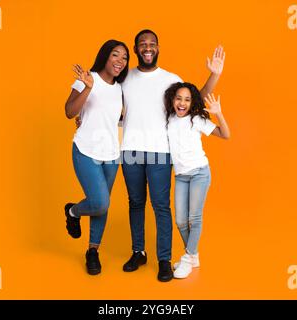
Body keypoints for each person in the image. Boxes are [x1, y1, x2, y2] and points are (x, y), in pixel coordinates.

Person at [120, 29, 225, 282]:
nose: (147, 48)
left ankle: (164, 259)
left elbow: (194, 99)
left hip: (159, 151)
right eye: (142, 44)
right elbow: (112, 105)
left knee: (161, 206)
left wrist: (215, 74)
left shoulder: (170, 79)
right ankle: (138, 252)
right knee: (135, 203)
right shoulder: (125, 78)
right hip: (130, 150)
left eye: (152, 44)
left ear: (158, 48)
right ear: (135, 49)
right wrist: (87, 118)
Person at [64, 39, 129, 275]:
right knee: (100, 202)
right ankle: (72, 211)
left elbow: (115, 119)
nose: (120, 61)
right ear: (105, 56)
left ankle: (93, 251)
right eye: (115, 55)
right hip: (86, 150)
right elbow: (70, 112)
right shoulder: (87, 79)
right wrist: (88, 88)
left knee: (103, 207)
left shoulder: (121, 89)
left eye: (124, 58)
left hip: (111, 153)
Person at [164, 83, 230, 279]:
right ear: (172, 100)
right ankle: (193, 255)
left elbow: (225, 134)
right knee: (180, 221)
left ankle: (187, 259)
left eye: (187, 99)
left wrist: (219, 113)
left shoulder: (196, 119)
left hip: (200, 173)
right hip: (181, 176)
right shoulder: (168, 120)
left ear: (192, 102)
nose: (182, 103)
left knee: (194, 218)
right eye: (178, 98)